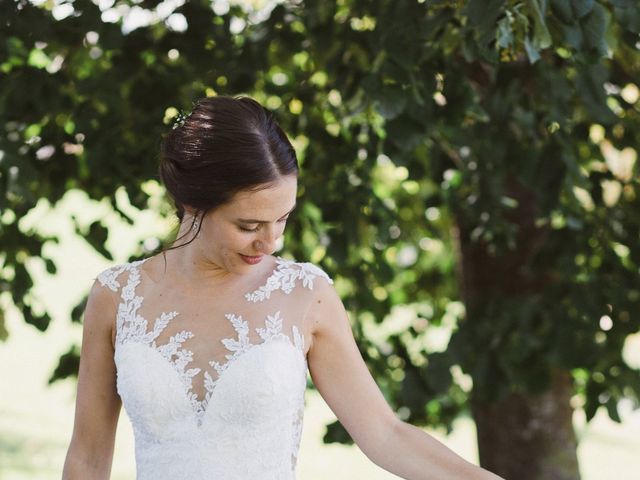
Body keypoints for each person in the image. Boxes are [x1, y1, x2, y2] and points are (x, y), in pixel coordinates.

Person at [62, 95, 503, 479]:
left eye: (283, 219)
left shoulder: (303, 293)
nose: (272, 242)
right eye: (249, 224)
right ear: (192, 204)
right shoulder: (117, 296)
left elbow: (385, 433)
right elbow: (87, 457)